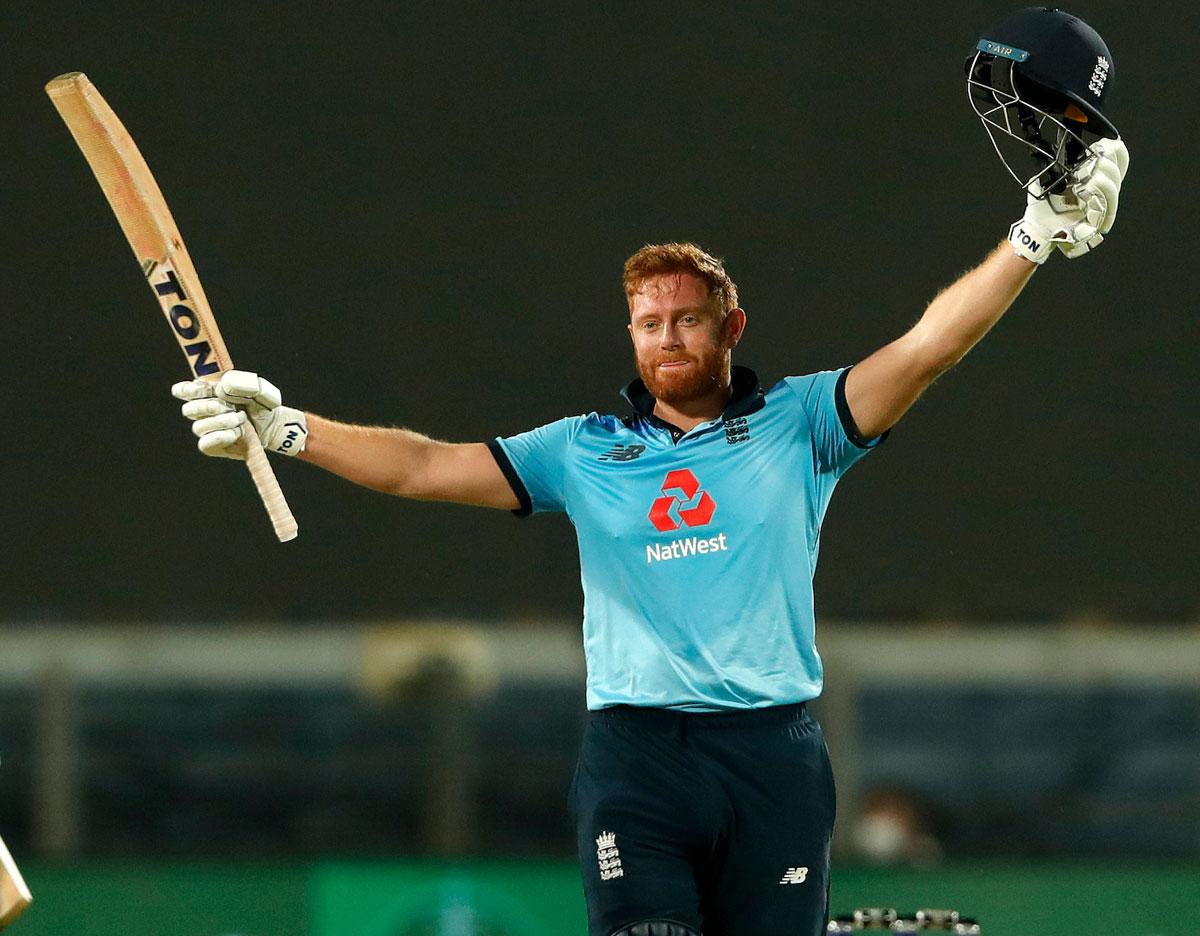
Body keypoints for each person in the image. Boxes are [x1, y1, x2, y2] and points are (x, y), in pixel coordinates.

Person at [171, 146, 1127, 936]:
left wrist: (1032, 236)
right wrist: (290, 427)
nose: (667, 337)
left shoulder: (804, 423)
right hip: (637, 757)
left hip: (772, 754)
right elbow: (422, 465)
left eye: (688, 319)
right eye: (648, 323)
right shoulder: (582, 451)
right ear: (629, 335)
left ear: (730, 326)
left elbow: (928, 347)